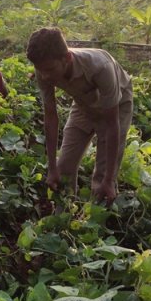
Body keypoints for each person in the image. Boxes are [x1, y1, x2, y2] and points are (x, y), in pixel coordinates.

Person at [26, 27, 133, 205]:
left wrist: (108, 180)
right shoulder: (43, 68)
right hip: (83, 103)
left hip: (117, 105)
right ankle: (63, 219)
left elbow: (112, 125)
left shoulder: (100, 67)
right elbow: (50, 117)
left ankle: (98, 218)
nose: (45, 75)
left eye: (50, 69)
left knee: (103, 176)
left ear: (66, 59)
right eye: (40, 70)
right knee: (63, 168)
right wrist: (52, 168)